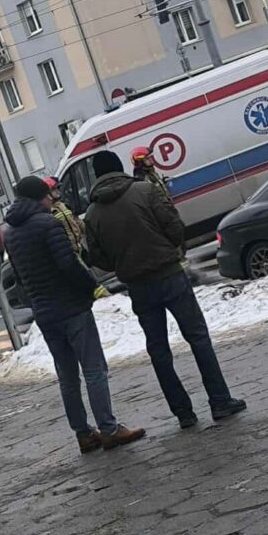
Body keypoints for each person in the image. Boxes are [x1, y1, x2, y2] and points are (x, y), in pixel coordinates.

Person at [83, 151, 245, 429]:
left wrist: (123, 262)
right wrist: (171, 249)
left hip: (137, 286)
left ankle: (183, 413)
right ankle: (219, 400)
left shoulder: (93, 214)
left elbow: (98, 259)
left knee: (158, 350)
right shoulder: (145, 191)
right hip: (169, 274)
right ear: (119, 167)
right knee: (197, 337)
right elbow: (174, 225)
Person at [4, 176, 145, 454]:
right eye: (47, 195)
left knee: (67, 375)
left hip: (44, 312)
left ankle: (83, 434)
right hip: (70, 307)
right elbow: (68, 263)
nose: (51, 198)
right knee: (94, 369)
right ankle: (109, 428)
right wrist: (92, 286)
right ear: (37, 198)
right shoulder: (48, 224)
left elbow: (20, 278)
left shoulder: (10, 232)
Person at [43, 176, 108, 299]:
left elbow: (76, 221)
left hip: (79, 247)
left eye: (58, 188)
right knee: (86, 276)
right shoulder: (49, 212)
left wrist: (89, 232)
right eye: (54, 189)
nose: (58, 191)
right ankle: (98, 296)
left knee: (92, 272)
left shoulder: (64, 206)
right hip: (70, 250)